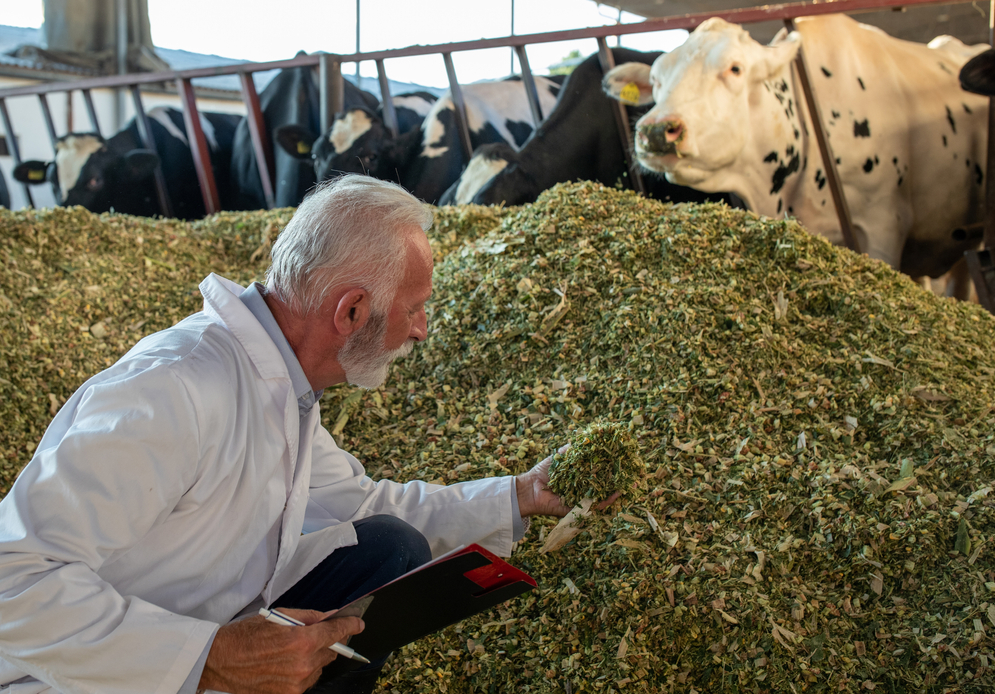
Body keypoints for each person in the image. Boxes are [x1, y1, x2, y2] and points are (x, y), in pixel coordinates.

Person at [0, 175, 574, 694]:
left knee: (389, 546)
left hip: (197, 625)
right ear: (351, 312)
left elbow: (359, 505)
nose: (421, 330)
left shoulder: (282, 385)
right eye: (414, 308)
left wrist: (522, 494)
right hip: (79, 675)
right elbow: (12, 579)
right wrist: (212, 657)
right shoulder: (175, 389)